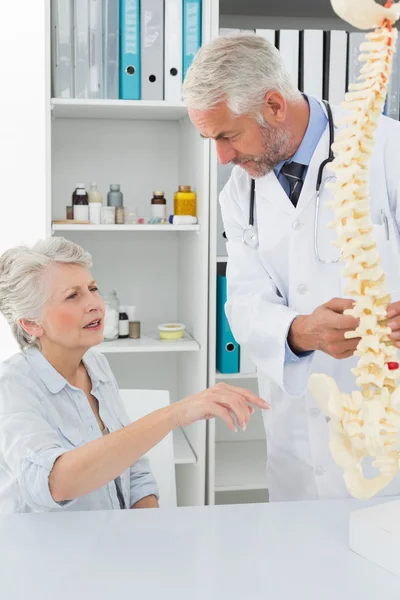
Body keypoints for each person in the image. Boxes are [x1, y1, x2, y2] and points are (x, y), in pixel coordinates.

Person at [182, 32, 400, 501]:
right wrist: (300, 331)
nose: (222, 157)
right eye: (210, 138)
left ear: (275, 106)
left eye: (228, 135)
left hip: (386, 428)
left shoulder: (386, 150)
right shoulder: (240, 193)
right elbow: (243, 302)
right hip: (297, 448)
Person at [0, 237, 269, 513]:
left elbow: (132, 467)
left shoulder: (96, 366)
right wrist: (174, 414)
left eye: (93, 288)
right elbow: (54, 483)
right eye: (73, 295)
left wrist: (147, 532)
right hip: (49, 553)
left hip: (114, 543)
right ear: (31, 324)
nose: (95, 304)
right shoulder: (13, 385)